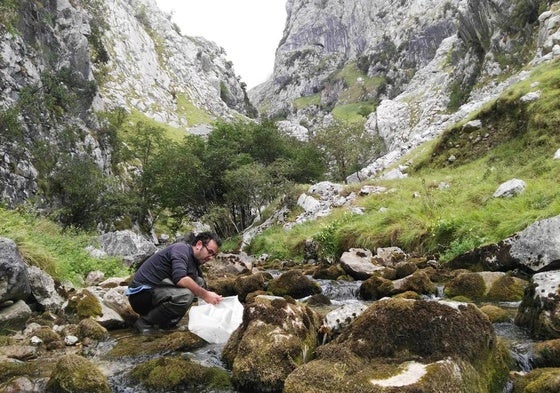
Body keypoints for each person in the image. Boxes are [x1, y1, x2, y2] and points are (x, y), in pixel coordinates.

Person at [126, 231, 223, 334]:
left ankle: (166, 323)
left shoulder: (194, 263)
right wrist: (206, 295)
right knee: (186, 295)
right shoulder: (180, 249)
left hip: (156, 292)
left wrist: (215, 301)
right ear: (199, 245)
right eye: (210, 252)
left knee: (198, 282)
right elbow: (180, 278)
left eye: (214, 255)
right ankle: (145, 322)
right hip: (140, 296)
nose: (211, 257)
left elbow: (202, 286)